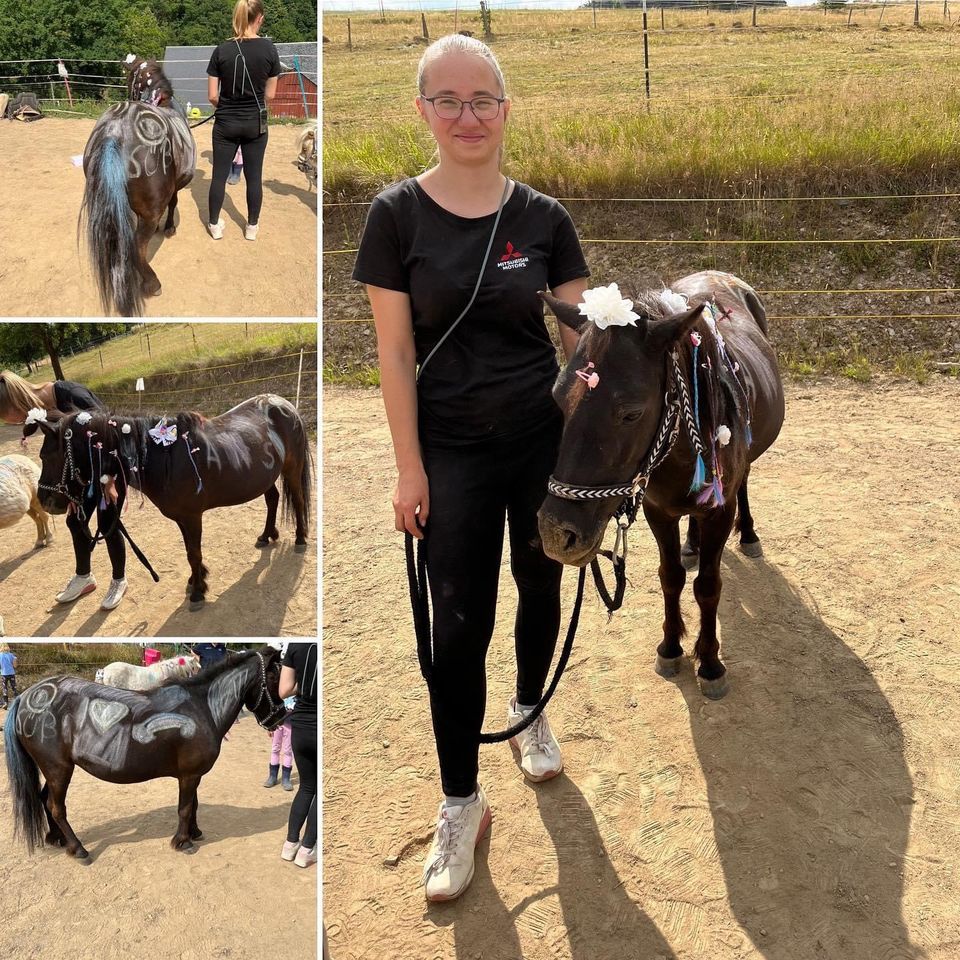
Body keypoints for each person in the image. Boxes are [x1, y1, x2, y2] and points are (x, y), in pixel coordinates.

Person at [352, 34, 590, 902]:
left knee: (540, 585)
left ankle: (529, 709)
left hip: (538, 443)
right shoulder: (395, 219)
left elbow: (577, 340)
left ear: (506, 109)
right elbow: (392, 353)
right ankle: (461, 802)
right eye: (447, 100)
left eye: (482, 99)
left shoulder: (545, 218)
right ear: (421, 110)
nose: (467, 116)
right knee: (456, 630)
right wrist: (408, 468)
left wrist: (603, 383)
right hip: (448, 449)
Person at [0, 370, 128, 611]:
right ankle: (84, 577)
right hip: (81, 475)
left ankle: (119, 580)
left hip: (108, 467)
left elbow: (112, 434)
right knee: (75, 521)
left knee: (108, 523)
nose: (17, 423)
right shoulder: (43, 409)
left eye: (14, 418)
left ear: (19, 402)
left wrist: (110, 480)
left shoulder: (72, 395)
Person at [205, 0, 281, 242]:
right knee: (254, 177)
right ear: (259, 18)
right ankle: (251, 227)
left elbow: (212, 96)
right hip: (255, 124)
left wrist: (227, 107)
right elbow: (270, 95)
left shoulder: (221, 50)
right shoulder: (269, 49)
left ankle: (215, 226)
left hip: (225, 122)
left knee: (218, 176)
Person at [279, 641, 317, 868]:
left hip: (300, 726)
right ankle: (306, 850)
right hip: (318, 723)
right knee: (319, 791)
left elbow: (284, 691)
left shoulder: (296, 645)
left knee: (306, 787)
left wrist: (301, 684)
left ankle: (290, 844)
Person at [264, 695, 295, 790]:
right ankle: (272, 777)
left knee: (288, 751)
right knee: (275, 749)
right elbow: (270, 705)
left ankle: (286, 779)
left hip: (290, 724)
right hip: (277, 723)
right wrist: (269, 725)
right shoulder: (278, 689)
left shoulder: (297, 691)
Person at [0, 642, 16, 708]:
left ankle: (6, 703)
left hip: (4, 674)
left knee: (5, 688)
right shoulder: (11, 655)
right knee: (14, 687)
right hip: (11, 673)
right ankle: (18, 701)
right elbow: (15, 666)